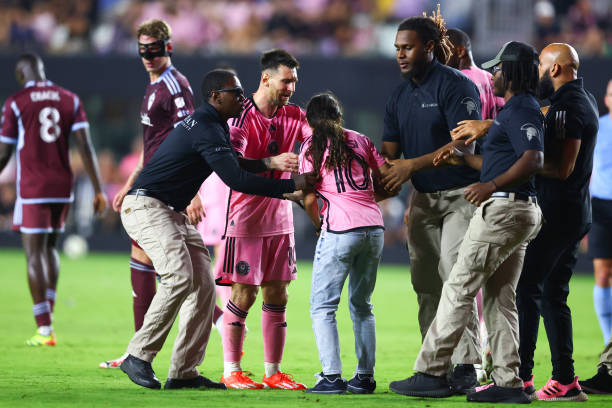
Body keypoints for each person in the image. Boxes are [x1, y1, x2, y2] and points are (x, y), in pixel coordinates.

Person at [118, 69, 314, 390]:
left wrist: (268, 163)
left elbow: (236, 164)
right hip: (146, 206)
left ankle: (184, 372)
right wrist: (290, 187)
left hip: (171, 211)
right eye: (235, 93)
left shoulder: (212, 124)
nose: (241, 97)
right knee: (180, 277)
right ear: (215, 97)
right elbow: (235, 179)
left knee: (206, 288)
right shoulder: (208, 128)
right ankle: (138, 355)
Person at [390, 41, 544, 404]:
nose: (493, 75)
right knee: (500, 297)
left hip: (505, 209)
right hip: (520, 209)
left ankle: (431, 372)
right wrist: (461, 159)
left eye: (499, 69)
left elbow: (533, 158)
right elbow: (504, 160)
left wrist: (490, 184)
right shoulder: (514, 110)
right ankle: (509, 382)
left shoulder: (521, 108)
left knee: (457, 286)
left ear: (513, 72)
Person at [379, 12, 483, 392]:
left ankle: (467, 365)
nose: (400, 55)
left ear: (428, 48)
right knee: (424, 282)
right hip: (423, 198)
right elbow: (390, 154)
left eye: (407, 48)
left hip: (461, 195)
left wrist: (411, 164)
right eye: (397, 49)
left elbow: (463, 143)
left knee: (454, 274)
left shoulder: (456, 86)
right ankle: (434, 366)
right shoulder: (399, 96)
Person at [100, 19, 198, 369]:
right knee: (155, 263)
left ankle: (138, 352)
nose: (148, 56)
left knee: (173, 271)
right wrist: (128, 183)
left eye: (154, 50)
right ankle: (138, 351)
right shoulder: (153, 84)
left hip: (166, 188)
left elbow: (191, 135)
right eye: (143, 50)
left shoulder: (175, 85)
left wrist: (194, 192)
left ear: (168, 47)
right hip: (151, 184)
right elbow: (151, 143)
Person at [213, 49, 311, 390]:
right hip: (246, 219)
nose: (291, 88)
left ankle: (273, 372)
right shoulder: (240, 117)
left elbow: (316, 143)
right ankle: (231, 371)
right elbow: (233, 166)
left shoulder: (296, 115)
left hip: (280, 218)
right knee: (244, 293)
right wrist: (273, 162)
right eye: (286, 81)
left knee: (278, 294)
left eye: (294, 82)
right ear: (265, 78)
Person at [0, 53, 106, 346]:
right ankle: (49, 313)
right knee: (49, 249)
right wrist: (98, 190)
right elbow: (85, 145)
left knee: (33, 253)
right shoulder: (69, 98)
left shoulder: (16, 102)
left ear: (21, 75)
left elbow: (4, 154)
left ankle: (44, 328)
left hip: (33, 186)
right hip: (63, 186)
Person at [514, 43, 597, 402]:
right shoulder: (584, 99)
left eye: (542, 67)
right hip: (576, 211)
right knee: (552, 295)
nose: (536, 75)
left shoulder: (569, 106)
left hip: (558, 212)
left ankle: (520, 378)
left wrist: (522, 165)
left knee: (526, 288)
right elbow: (551, 112)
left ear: (557, 69)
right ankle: (566, 380)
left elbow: (562, 169)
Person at [299, 93, 390, 394]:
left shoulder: (310, 148)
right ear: (339, 118)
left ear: (309, 122)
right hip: (374, 228)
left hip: (340, 230)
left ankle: (331, 377)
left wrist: (317, 225)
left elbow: (309, 196)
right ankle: (364, 377)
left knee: (323, 306)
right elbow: (387, 178)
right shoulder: (361, 140)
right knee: (362, 305)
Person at [589, 79, 612, 346]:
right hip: (602, 206)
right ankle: (609, 342)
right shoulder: (597, 128)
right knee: (603, 273)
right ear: (606, 99)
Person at [446, 28, 505, 121]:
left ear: (461, 51)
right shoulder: (491, 78)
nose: (438, 58)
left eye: (445, 51)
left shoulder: (457, 81)